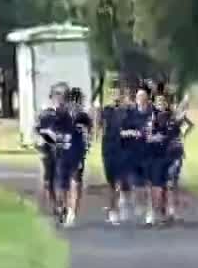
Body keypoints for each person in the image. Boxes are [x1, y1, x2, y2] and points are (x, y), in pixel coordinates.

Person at [150, 90, 194, 224]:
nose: (161, 104)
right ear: (155, 103)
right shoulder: (153, 117)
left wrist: (181, 136)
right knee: (162, 185)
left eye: (163, 101)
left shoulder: (172, 116)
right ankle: (163, 212)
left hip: (175, 153)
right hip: (160, 154)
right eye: (158, 102)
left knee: (172, 182)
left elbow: (189, 125)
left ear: (166, 103)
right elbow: (149, 134)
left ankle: (173, 211)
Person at [119, 84, 156, 225]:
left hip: (149, 153)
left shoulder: (153, 113)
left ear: (147, 98)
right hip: (133, 154)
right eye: (138, 96)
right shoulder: (130, 113)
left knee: (150, 184)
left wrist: (153, 135)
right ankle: (139, 204)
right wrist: (131, 133)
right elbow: (121, 132)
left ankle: (150, 213)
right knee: (137, 185)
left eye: (143, 96)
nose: (140, 99)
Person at [35, 85, 73, 221]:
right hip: (47, 151)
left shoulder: (67, 115)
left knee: (62, 180)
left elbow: (70, 134)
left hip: (62, 151)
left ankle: (62, 206)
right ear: (52, 97)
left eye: (61, 96)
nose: (59, 98)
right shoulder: (45, 114)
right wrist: (45, 140)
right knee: (47, 182)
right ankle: (56, 205)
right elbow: (38, 130)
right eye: (56, 95)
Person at [62, 86, 93, 228]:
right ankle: (65, 207)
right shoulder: (62, 115)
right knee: (64, 185)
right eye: (72, 101)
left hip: (77, 154)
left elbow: (89, 135)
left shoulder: (83, 117)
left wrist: (85, 150)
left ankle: (72, 213)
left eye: (77, 101)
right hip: (63, 154)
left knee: (75, 183)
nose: (75, 104)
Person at [100, 83, 129, 223]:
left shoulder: (127, 111)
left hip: (123, 148)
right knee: (111, 182)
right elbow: (99, 127)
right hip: (108, 148)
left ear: (122, 95)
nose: (115, 95)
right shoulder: (106, 110)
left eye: (118, 93)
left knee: (120, 180)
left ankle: (117, 207)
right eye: (113, 93)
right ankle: (115, 206)